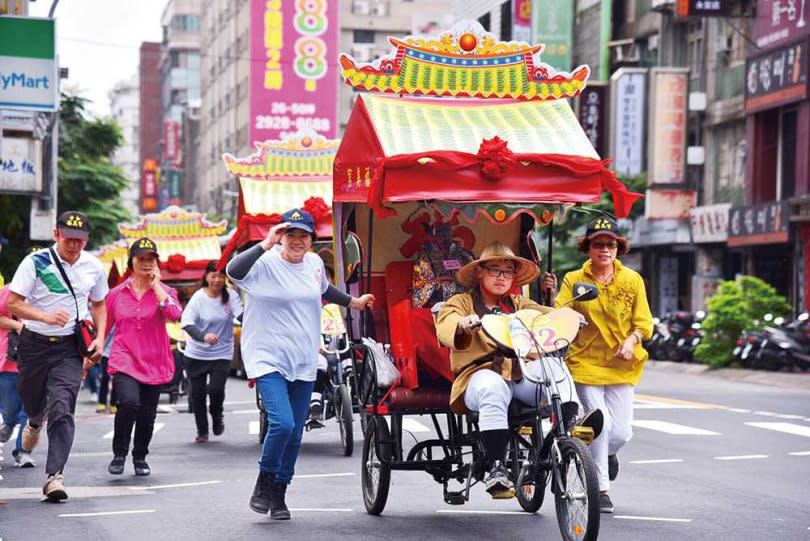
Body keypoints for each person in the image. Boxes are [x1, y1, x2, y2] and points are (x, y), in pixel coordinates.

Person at [226, 208, 374, 520]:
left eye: (303, 236)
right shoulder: (263, 263)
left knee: (295, 435)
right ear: (281, 236)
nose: (296, 241)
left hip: (304, 357)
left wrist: (354, 302)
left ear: (311, 239)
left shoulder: (315, 264)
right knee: (283, 424)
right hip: (267, 356)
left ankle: (279, 494)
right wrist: (265, 244)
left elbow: (324, 290)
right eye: (290, 234)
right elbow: (233, 271)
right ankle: (264, 480)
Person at [436, 241, 581, 499]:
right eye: (495, 270)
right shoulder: (461, 302)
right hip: (478, 377)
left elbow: (546, 315)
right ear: (480, 272)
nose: (502, 277)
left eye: (508, 271)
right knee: (492, 387)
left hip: (520, 372)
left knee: (554, 365)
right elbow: (446, 323)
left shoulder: (519, 303)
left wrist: (568, 318)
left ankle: (570, 427)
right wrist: (462, 324)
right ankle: (496, 468)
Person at [544, 216, 653, 514]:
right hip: (584, 363)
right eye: (598, 244)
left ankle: (608, 456)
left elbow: (644, 322)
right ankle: (602, 489)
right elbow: (559, 311)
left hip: (622, 364)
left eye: (610, 244)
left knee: (621, 433)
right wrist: (554, 297)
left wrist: (631, 341)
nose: (604, 249)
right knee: (600, 424)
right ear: (587, 247)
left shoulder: (632, 280)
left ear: (618, 247)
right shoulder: (574, 279)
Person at [7, 211, 108, 502]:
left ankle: (54, 476)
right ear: (56, 234)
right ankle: (34, 420)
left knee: (63, 406)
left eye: (80, 240)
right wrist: (45, 316)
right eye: (68, 238)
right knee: (31, 398)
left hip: (69, 348)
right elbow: (14, 303)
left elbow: (99, 304)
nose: (74, 245)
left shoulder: (93, 266)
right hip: (34, 344)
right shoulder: (35, 262)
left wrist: (100, 336)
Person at [105, 238, 182, 476]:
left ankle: (140, 457)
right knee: (127, 402)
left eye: (151, 259)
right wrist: (89, 354)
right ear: (132, 262)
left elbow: (174, 315)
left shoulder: (166, 292)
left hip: (154, 360)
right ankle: (119, 453)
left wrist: (156, 287)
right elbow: (104, 325)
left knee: (148, 415)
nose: (147, 264)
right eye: (142, 259)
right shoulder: (116, 294)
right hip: (124, 358)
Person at [181, 260, 243, 443]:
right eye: (213, 275)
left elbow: (241, 315)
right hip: (197, 354)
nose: (217, 280)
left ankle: (217, 415)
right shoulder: (199, 298)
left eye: (221, 276)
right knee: (197, 395)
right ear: (206, 277)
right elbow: (187, 323)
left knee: (216, 390)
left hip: (221, 353)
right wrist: (203, 336)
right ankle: (202, 431)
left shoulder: (230, 296)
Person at [0, 284, 35, 468]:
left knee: (29, 411)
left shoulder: (50, 291)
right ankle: (8, 422)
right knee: (11, 409)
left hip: (36, 360)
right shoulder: (10, 290)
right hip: (9, 359)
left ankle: (23, 451)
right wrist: (17, 325)